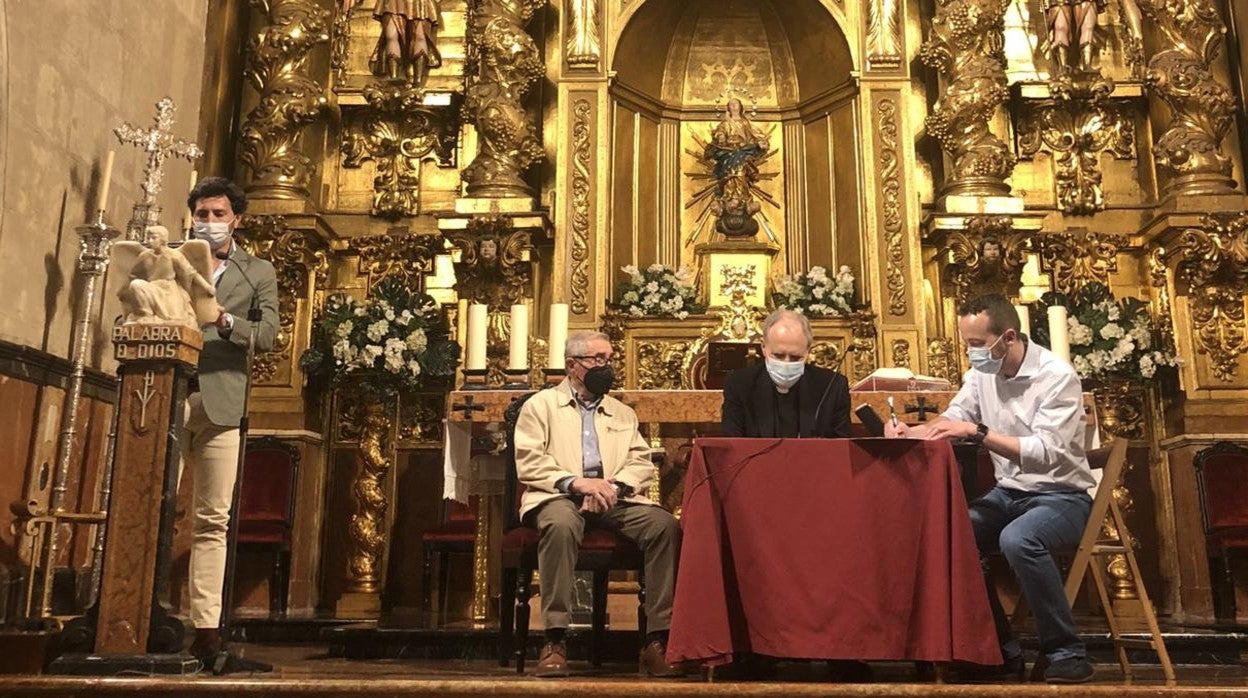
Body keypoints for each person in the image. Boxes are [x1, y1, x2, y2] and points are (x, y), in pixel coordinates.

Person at [885, 293, 1096, 684]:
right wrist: (910, 431)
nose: (971, 354)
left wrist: (979, 433)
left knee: (1019, 540)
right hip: (1009, 493)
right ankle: (1001, 650)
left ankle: (1067, 651)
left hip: (1061, 495)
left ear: (1008, 337)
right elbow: (957, 415)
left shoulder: (1057, 377)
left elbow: (1045, 453)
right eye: (967, 344)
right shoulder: (982, 373)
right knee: (954, 533)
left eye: (977, 345)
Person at [513, 330, 684, 679]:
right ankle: (555, 638)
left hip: (613, 498)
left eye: (609, 359)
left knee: (664, 526)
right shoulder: (540, 406)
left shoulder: (621, 412)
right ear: (573, 366)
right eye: (597, 360)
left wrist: (613, 487)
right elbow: (529, 461)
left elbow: (640, 461)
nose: (606, 366)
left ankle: (656, 639)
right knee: (561, 525)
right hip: (558, 495)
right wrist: (577, 483)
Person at [182, 177, 280, 661]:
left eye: (219, 215)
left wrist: (227, 322)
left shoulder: (256, 271)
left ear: (236, 219)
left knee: (212, 518)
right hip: (166, 393)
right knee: (152, 508)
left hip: (222, 400)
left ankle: (205, 627)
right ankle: (140, 612)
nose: (211, 223)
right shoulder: (172, 262)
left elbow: (270, 336)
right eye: (203, 214)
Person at [721, 308, 850, 439]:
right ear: (763, 347)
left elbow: (841, 446)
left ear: (808, 351)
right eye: (778, 356)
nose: (786, 363)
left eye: (795, 357)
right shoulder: (739, 384)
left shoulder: (832, 386)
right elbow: (733, 443)